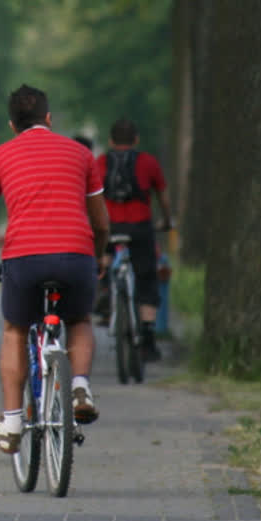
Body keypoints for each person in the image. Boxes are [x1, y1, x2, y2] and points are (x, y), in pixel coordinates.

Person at [0, 85, 109, 453]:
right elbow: (101, 222)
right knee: (79, 321)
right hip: (76, 256)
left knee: (14, 329)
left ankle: (11, 421)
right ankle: (80, 387)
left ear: (12, 125)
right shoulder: (80, 154)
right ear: (48, 118)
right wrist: (99, 256)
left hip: (23, 259)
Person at [97, 118, 173, 361]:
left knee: (103, 255)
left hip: (109, 226)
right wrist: (167, 221)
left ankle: (104, 290)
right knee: (147, 278)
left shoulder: (101, 162)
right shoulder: (148, 162)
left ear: (110, 141)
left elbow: (91, 196)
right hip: (140, 228)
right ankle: (148, 341)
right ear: (136, 140)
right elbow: (162, 194)